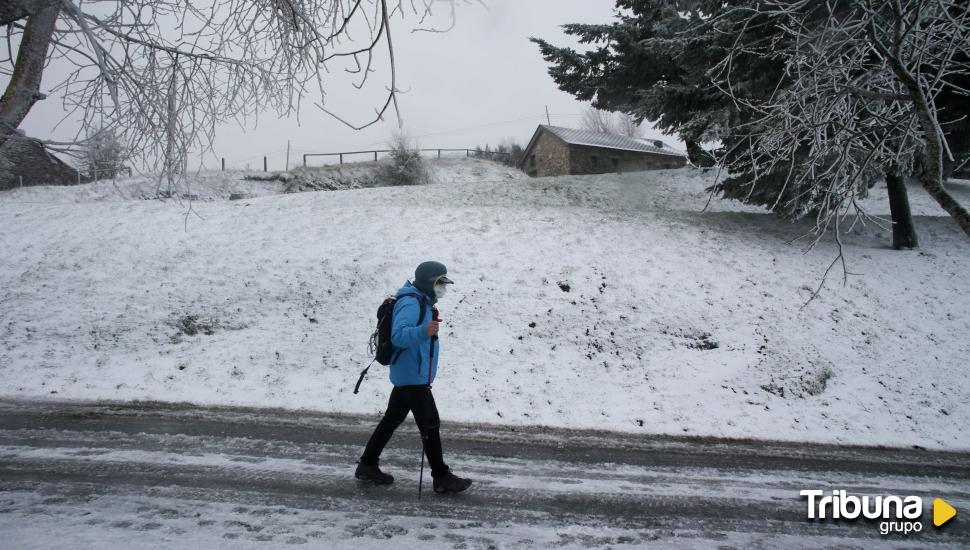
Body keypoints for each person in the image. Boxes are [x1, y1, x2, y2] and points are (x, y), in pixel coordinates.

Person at [355, 261, 473, 494]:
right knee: (430, 425)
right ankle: (441, 477)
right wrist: (423, 331)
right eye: (440, 282)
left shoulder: (422, 301)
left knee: (391, 420)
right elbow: (399, 336)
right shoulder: (411, 302)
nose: (443, 287)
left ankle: (367, 465)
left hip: (410, 373)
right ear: (429, 282)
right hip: (412, 376)